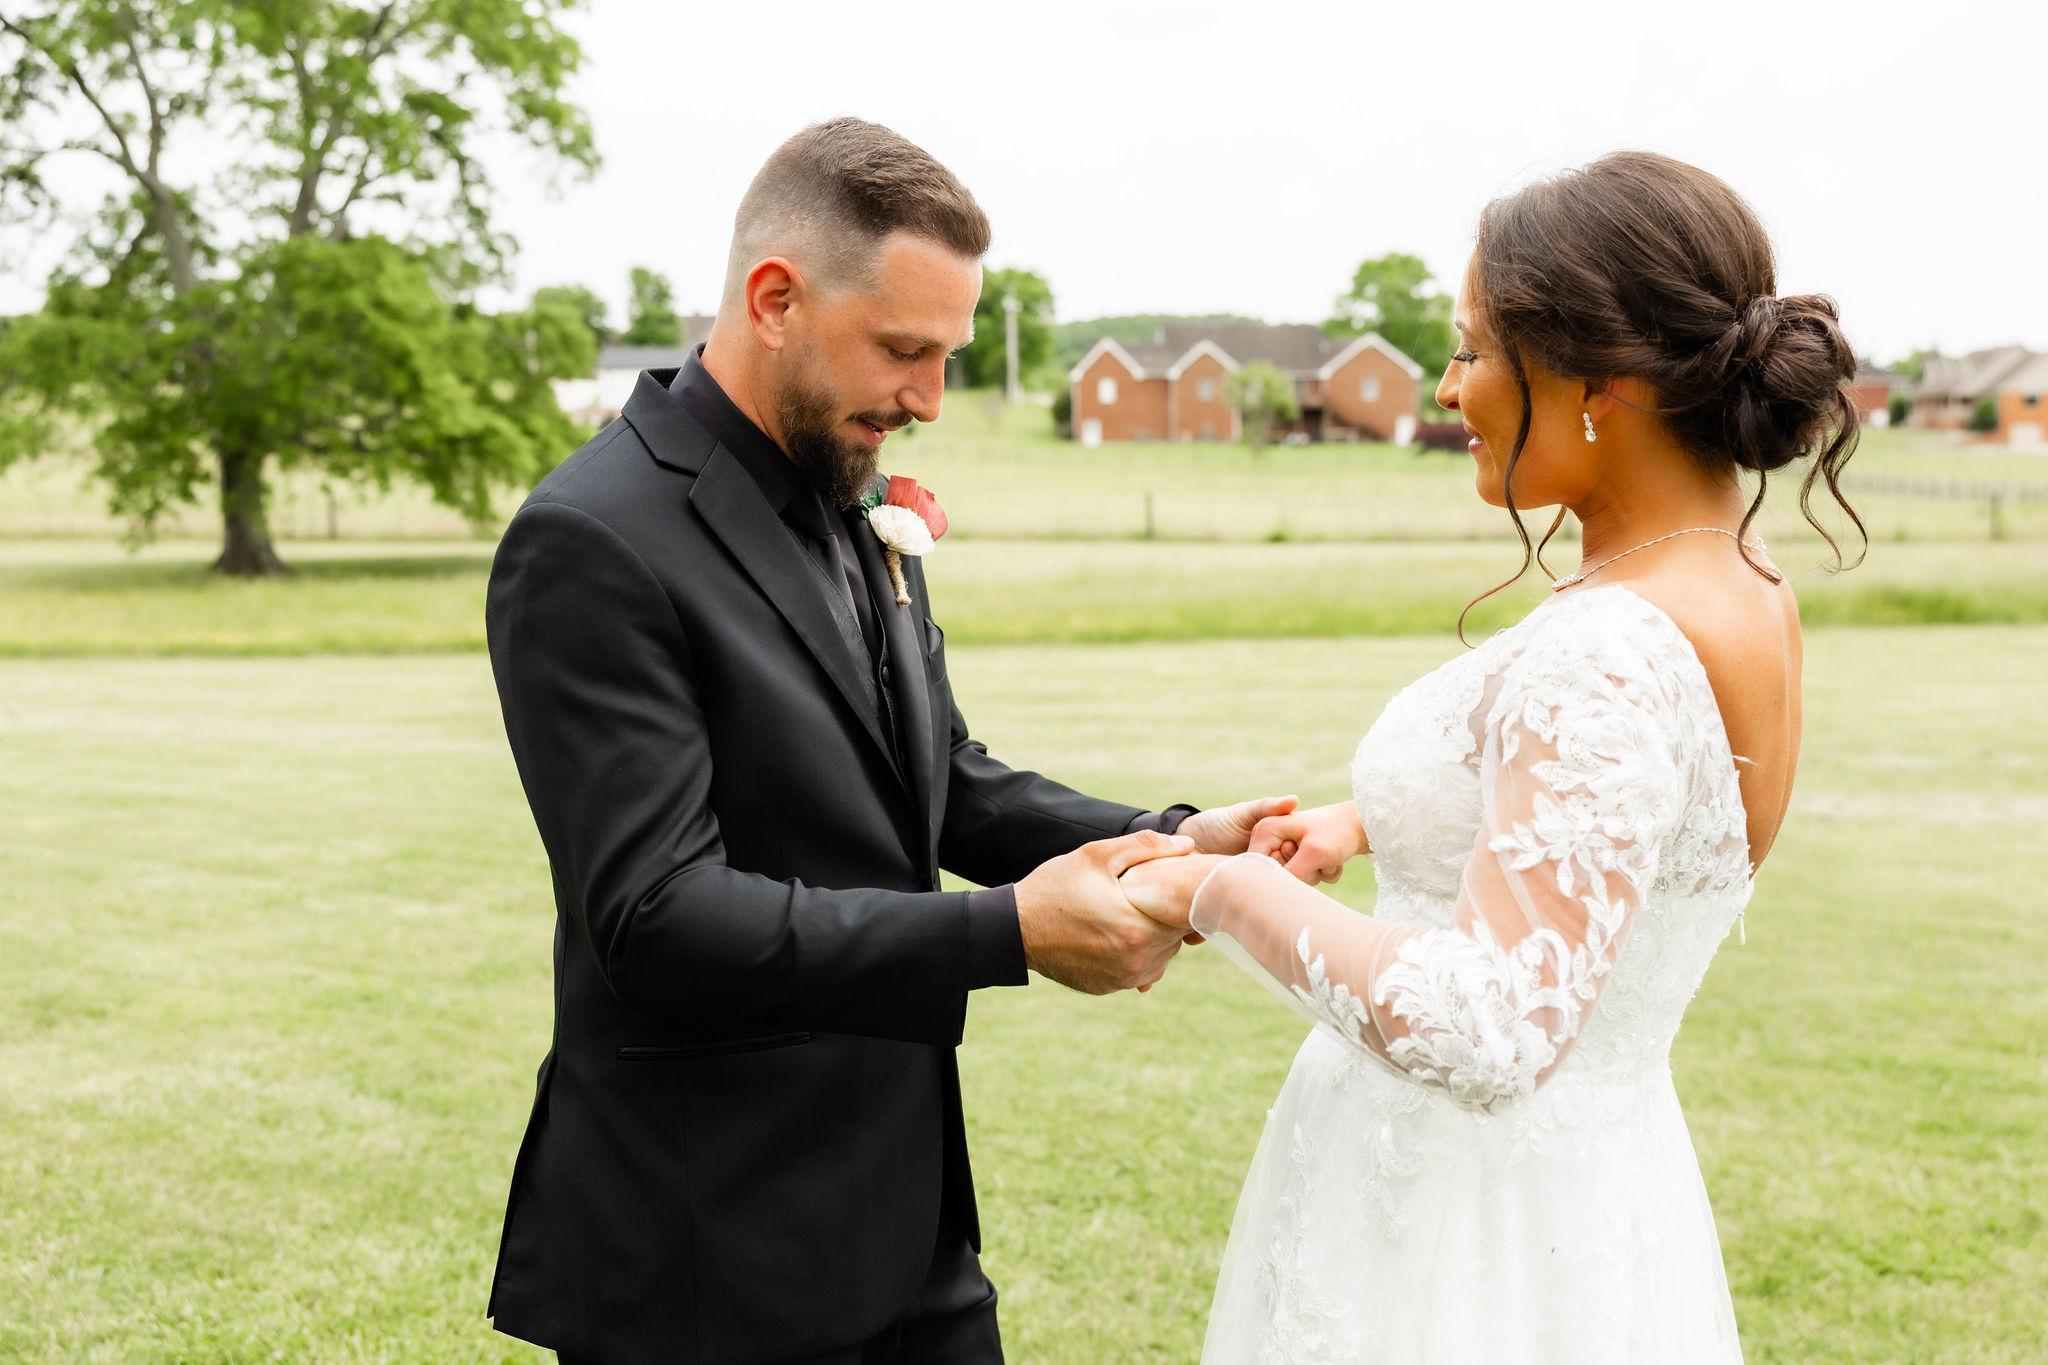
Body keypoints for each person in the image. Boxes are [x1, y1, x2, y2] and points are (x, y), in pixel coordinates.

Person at [482, 117, 1291, 1363]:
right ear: (775, 300)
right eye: (904, 351)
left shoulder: (846, 486)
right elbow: (654, 919)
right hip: (704, 1251)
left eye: (945, 356)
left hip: (911, 1230)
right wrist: (1006, 932)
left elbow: (941, 782)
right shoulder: (593, 539)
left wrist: (1167, 839)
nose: (927, 400)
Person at [1121, 150, 1862, 1362]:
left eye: (1470, 349)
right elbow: (1622, 829)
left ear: (1594, 380)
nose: (1448, 387)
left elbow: (1491, 1023)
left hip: (1461, 1237)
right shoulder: (1739, 582)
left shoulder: (1605, 645)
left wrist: (1216, 888)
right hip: (1595, 1196)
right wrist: (1369, 822)